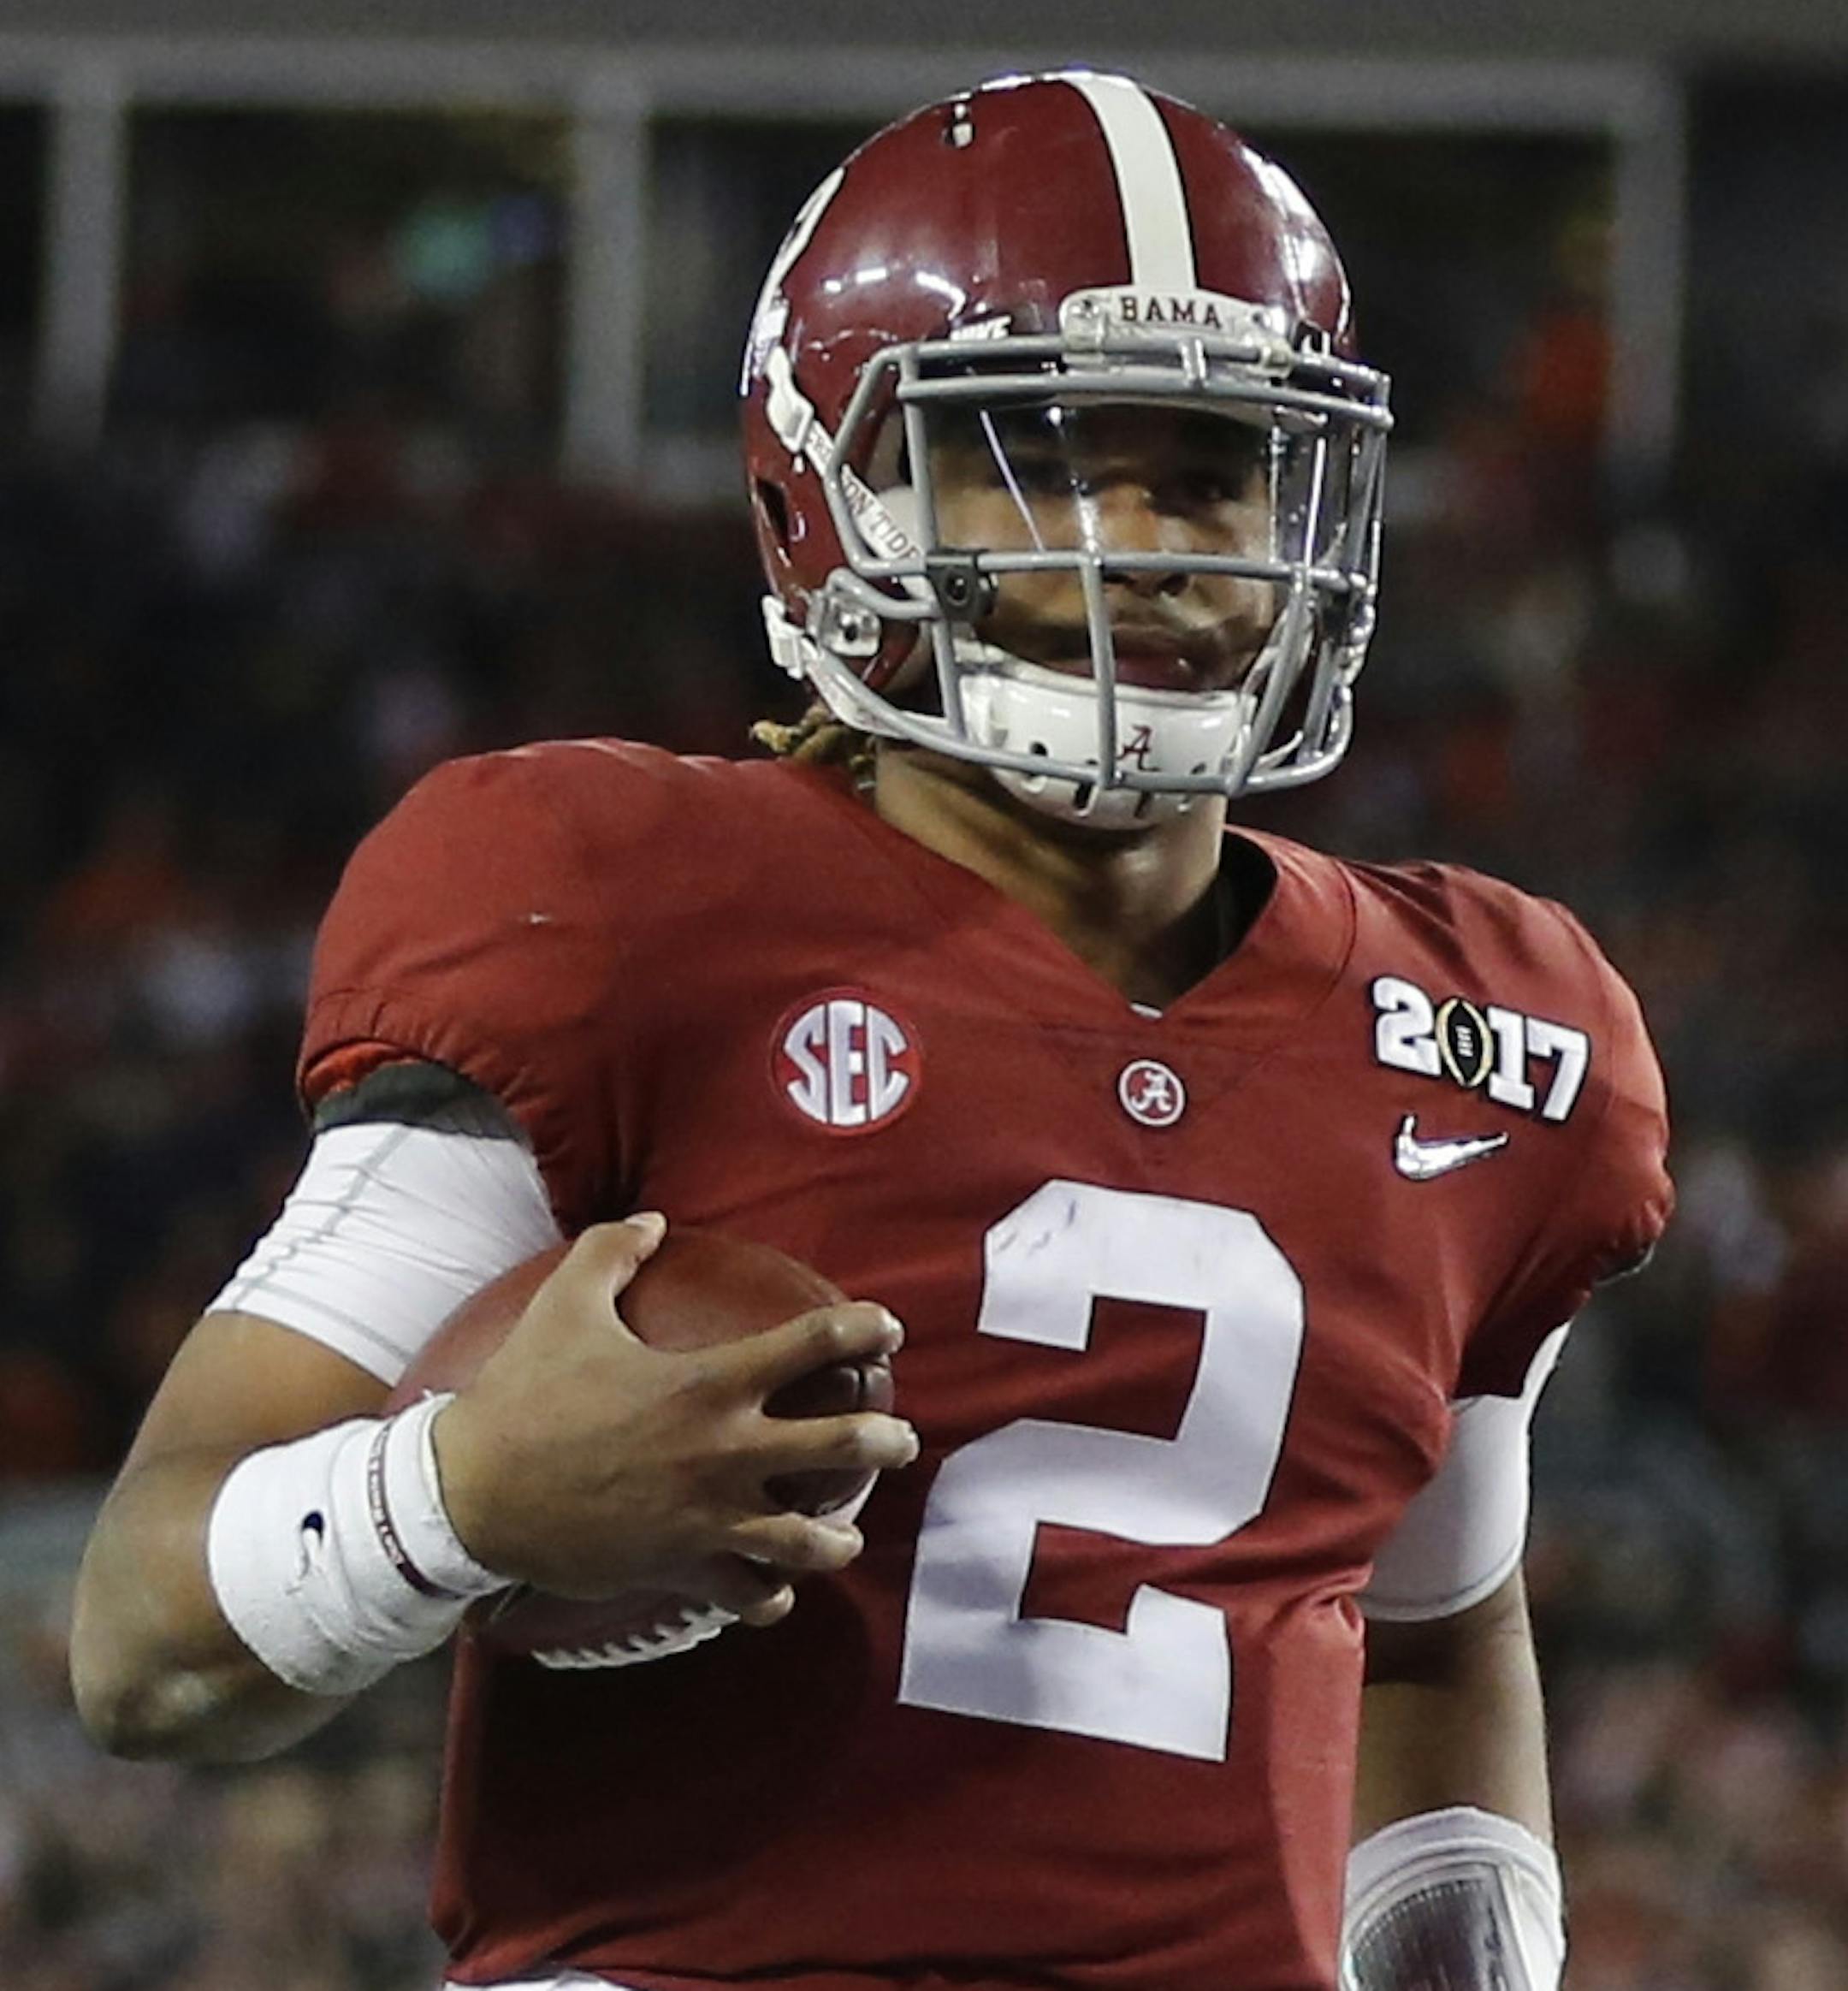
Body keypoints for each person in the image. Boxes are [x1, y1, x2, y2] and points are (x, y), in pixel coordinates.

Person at [68, 70, 1671, 1991]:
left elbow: (1427, 1629)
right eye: (1055, 454)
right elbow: (142, 1637)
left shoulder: (1482, 1030)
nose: (1154, 535)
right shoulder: (615, 904)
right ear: (827, 488)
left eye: (1219, 463)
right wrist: (461, 1496)